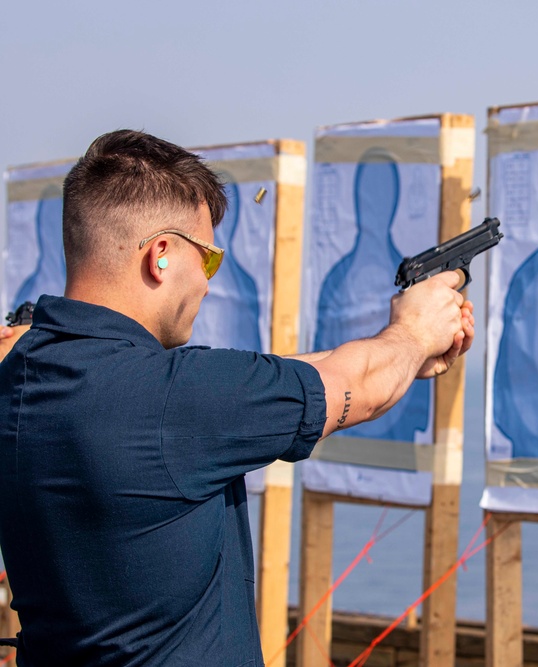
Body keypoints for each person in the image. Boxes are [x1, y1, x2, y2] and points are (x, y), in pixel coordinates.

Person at [0, 129, 474, 666]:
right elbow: (355, 387)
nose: (207, 283)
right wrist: (411, 335)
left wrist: (403, 356)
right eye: (207, 259)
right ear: (160, 255)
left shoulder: (21, 372)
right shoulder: (171, 400)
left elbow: (274, 380)